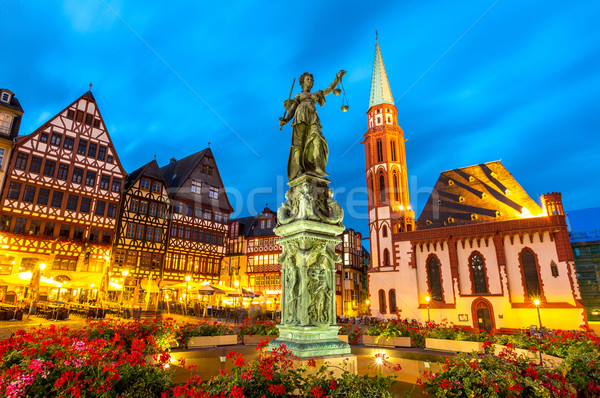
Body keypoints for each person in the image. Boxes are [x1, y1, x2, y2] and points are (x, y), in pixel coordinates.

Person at [279, 70, 346, 181]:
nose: (310, 81)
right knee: (298, 144)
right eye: (308, 79)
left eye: (311, 80)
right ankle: (299, 169)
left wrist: (337, 78)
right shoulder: (299, 95)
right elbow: (292, 109)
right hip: (300, 118)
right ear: (302, 82)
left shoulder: (316, 94)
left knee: (317, 139)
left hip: (313, 118)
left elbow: (329, 89)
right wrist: (286, 120)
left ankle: (317, 167)